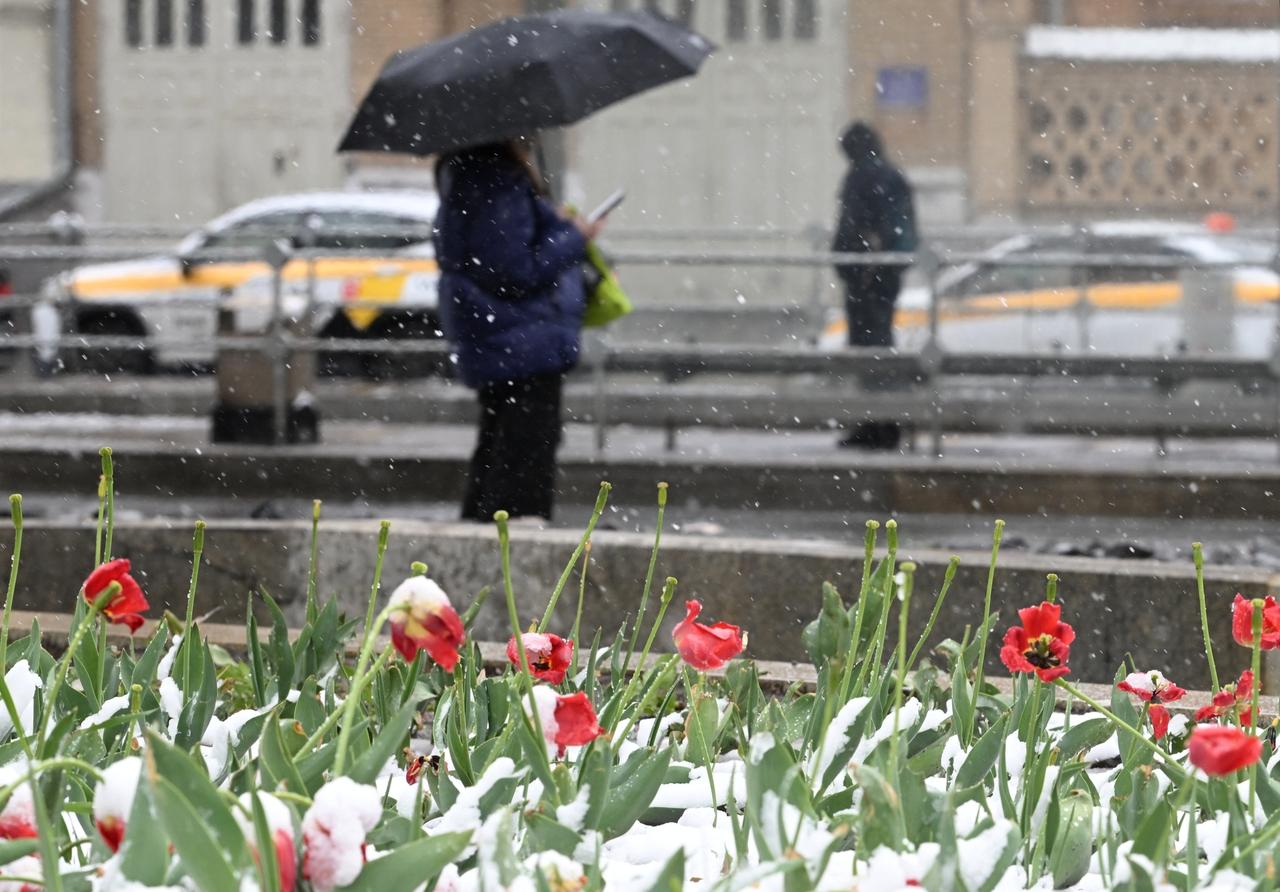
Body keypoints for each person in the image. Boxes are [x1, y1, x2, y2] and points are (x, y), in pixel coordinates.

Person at [434, 139, 603, 521]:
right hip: (524, 343)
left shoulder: (472, 176)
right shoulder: (497, 180)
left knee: (500, 453)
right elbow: (514, 271)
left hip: (505, 340)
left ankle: (481, 541)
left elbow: (500, 257)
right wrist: (575, 236)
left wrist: (551, 224)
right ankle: (510, 546)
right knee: (522, 464)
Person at [831, 121, 917, 450]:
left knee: (870, 348)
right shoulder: (888, 175)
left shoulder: (865, 177)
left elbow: (855, 227)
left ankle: (877, 424)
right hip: (879, 274)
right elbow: (900, 230)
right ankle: (882, 422)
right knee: (878, 346)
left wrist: (858, 263)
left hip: (866, 276)